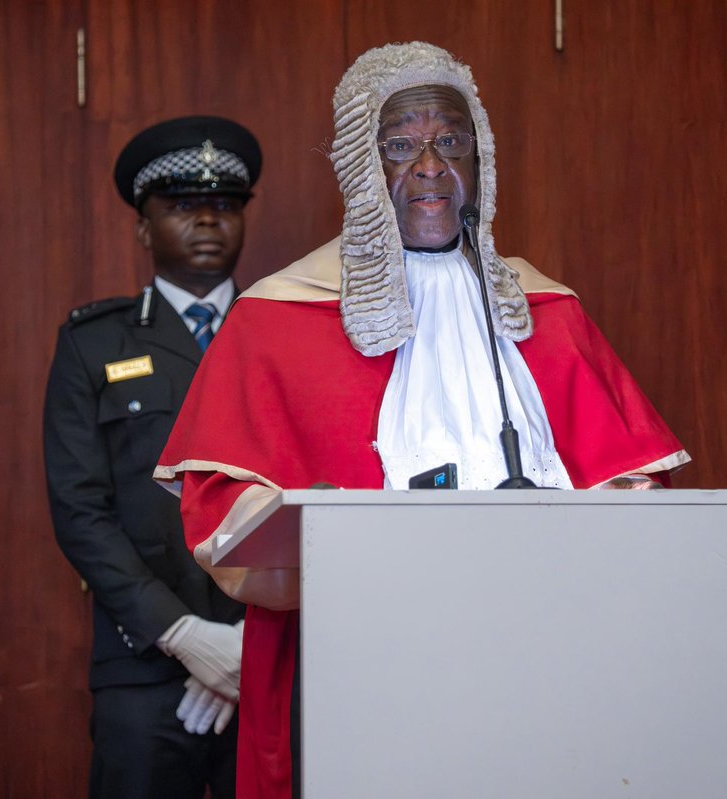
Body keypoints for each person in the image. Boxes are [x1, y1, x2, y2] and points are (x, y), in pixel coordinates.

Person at [155, 43, 691, 799]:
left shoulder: (547, 309)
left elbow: (634, 486)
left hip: (545, 655)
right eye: (402, 145)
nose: (432, 166)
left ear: (484, 161)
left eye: (453, 142)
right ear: (358, 166)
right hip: (363, 665)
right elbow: (220, 511)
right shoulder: (274, 317)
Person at [43, 115, 262, 799]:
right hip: (142, 662)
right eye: (182, 206)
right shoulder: (94, 343)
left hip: (268, 660)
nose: (207, 221)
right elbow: (82, 511)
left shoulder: (280, 336)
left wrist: (244, 648)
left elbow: (321, 492)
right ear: (143, 226)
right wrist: (186, 634)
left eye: (225, 205)